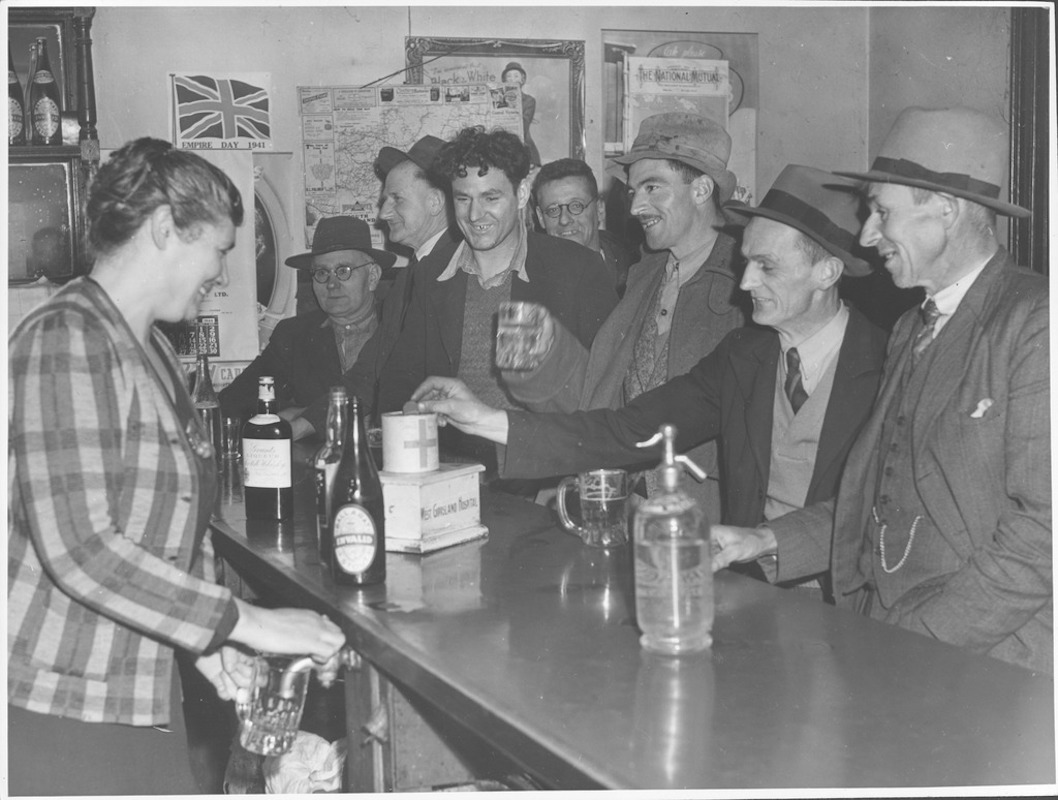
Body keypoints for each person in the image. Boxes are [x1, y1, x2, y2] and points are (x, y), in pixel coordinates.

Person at [7, 137, 346, 796]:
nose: (221, 273)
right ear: (165, 227)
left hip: (137, 688)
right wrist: (247, 623)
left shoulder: (152, 349)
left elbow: (163, 533)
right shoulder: (66, 340)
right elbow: (82, 548)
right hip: (63, 699)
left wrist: (208, 647)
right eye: (218, 250)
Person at [410, 164, 887, 600]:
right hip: (755, 595)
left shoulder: (888, 364)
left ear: (827, 272)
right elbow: (626, 429)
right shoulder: (745, 357)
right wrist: (489, 420)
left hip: (850, 603)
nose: (744, 284)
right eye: (746, 263)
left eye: (768, 266)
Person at [710, 107, 1052, 672]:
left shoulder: (1034, 322)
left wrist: (914, 642)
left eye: (881, 212)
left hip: (988, 665)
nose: (868, 236)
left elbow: (1043, 536)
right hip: (895, 640)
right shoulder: (910, 328)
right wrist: (764, 542)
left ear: (947, 210)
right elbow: (876, 499)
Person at [503, 112, 748, 512]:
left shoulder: (745, 282)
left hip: (703, 512)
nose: (636, 206)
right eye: (634, 191)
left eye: (653, 187)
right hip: (625, 497)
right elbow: (611, 388)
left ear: (702, 189)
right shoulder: (645, 273)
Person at [376, 125, 618, 477]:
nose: (475, 216)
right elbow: (400, 384)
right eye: (463, 199)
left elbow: (606, 393)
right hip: (454, 473)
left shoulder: (575, 269)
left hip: (545, 474)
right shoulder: (430, 275)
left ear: (521, 195)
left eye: (491, 198)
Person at [289, 135, 460, 440]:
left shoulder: (462, 271)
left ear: (434, 202)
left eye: (397, 199)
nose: (383, 214)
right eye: (385, 201)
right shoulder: (409, 279)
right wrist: (302, 425)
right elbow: (370, 371)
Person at [218, 215, 395, 423]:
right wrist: (303, 413)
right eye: (321, 273)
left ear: (372, 277)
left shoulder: (400, 325)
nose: (331, 283)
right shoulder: (293, 336)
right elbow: (234, 401)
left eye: (343, 271)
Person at [532, 157, 635, 296]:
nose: (564, 220)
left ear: (600, 210)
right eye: (553, 210)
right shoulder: (530, 282)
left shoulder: (634, 271)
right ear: (540, 218)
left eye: (576, 206)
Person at [502, 61, 541, 166]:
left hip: (522, 143)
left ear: (522, 80)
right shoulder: (498, 99)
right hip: (500, 141)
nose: (512, 79)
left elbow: (524, 125)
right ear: (504, 81)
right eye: (508, 77)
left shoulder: (529, 100)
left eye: (516, 76)